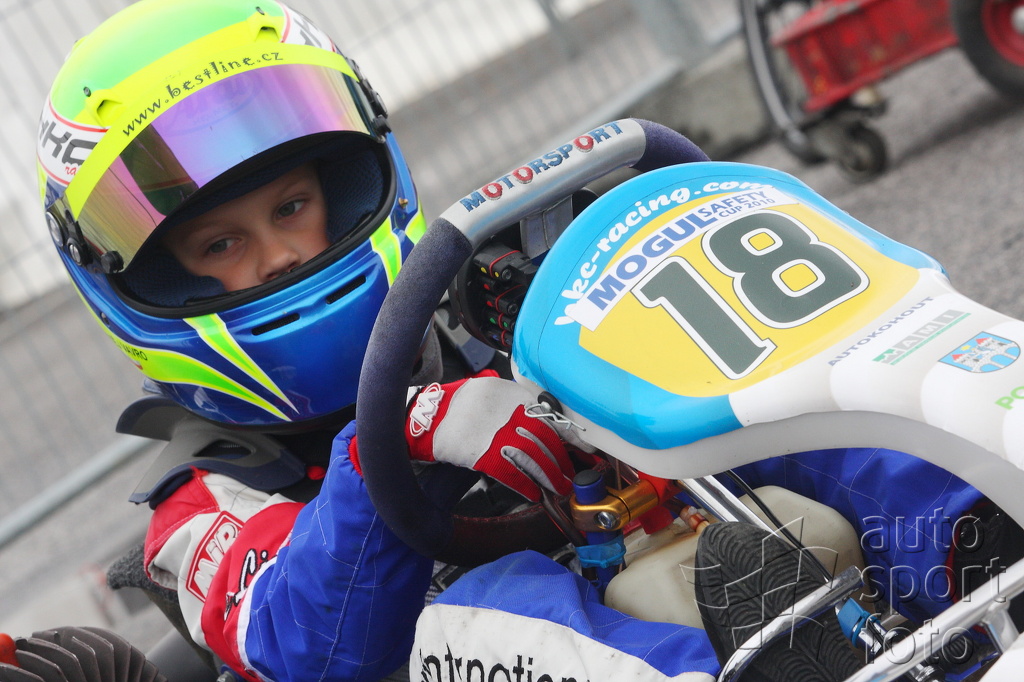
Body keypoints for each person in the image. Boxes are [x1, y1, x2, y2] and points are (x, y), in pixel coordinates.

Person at [35, 1, 582, 680]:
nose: (279, 257)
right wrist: (396, 441)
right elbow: (309, 645)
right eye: (221, 244)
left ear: (346, 186)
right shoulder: (196, 509)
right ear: (161, 280)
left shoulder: (486, 336)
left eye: (292, 208)